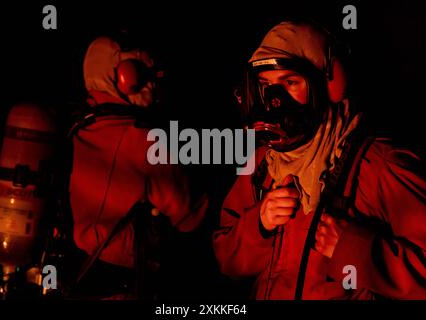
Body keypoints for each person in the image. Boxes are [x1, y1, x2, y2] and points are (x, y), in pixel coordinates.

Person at [213, 20, 426, 300]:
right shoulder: (264, 164)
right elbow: (226, 260)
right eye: (266, 85)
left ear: (328, 86)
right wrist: (259, 225)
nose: (274, 100)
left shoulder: (377, 165)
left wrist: (355, 250)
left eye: (290, 83)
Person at [66, 35, 208, 299]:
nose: (152, 83)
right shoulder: (144, 138)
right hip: (127, 283)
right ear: (122, 76)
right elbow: (190, 216)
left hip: (79, 275)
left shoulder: (79, 128)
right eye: (142, 73)